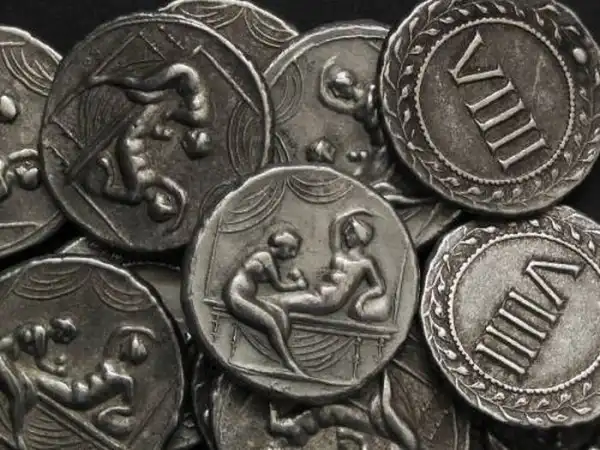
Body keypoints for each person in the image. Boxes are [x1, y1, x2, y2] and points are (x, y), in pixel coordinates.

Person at [84, 63, 213, 229]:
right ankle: (112, 83)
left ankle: (105, 80)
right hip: (137, 137)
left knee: (147, 94)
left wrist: (108, 168)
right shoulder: (152, 178)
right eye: (168, 200)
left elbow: (107, 190)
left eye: (165, 202)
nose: (166, 197)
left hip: (130, 141)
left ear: (154, 206)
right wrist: (179, 217)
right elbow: (180, 193)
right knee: (149, 97)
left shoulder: (136, 193)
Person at [275, 209, 392, 323]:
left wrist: (361, 299)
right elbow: (336, 224)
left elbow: (379, 287)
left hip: (326, 302)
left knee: (279, 302)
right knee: (275, 301)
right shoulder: (339, 253)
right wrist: (354, 212)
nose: (345, 234)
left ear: (359, 236)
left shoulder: (365, 263)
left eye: (350, 232)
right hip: (316, 294)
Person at [223, 229, 309, 376]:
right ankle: (290, 364)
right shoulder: (265, 256)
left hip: (247, 296)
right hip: (236, 296)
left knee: (280, 314)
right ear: (281, 246)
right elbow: (279, 286)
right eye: (291, 249)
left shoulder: (268, 257)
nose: (293, 254)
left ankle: (270, 354)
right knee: (271, 323)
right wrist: (298, 285)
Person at [0, 317, 78, 450]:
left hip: (7, 359)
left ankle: (10, 423)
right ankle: (18, 437)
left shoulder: (42, 336)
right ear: (60, 332)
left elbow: (40, 361)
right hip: (1, 355)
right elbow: (40, 360)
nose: (62, 343)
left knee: (31, 394)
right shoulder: (40, 331)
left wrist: (56, 371)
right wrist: (56, 370)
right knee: (17, 394)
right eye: (65, 339)